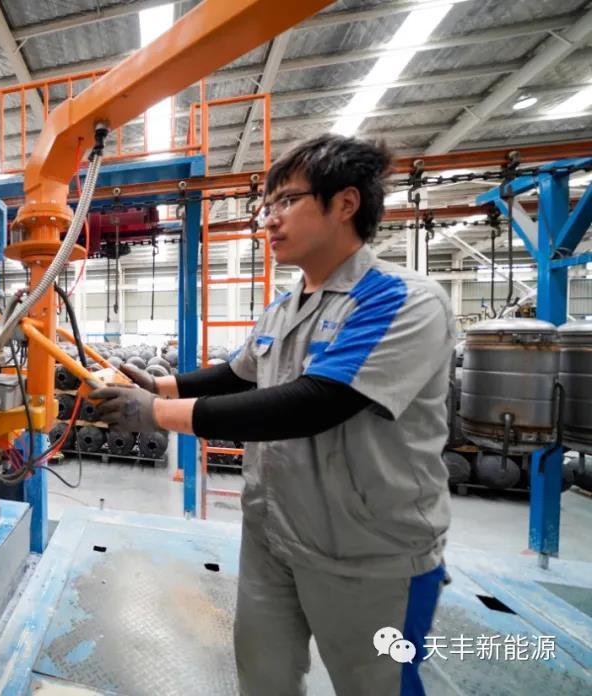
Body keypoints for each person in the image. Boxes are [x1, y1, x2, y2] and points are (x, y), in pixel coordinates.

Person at [91, 134, 454, 696]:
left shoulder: (401, 299)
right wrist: (155, 383)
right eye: (267, 205)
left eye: (287, 200)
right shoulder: (285, 307)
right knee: (263, 677)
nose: (269, 219)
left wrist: (158, 412)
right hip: (274, 535)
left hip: (370, 552)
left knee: (377, 686)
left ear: (346, 203)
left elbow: (316, 402)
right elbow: (240, 374)